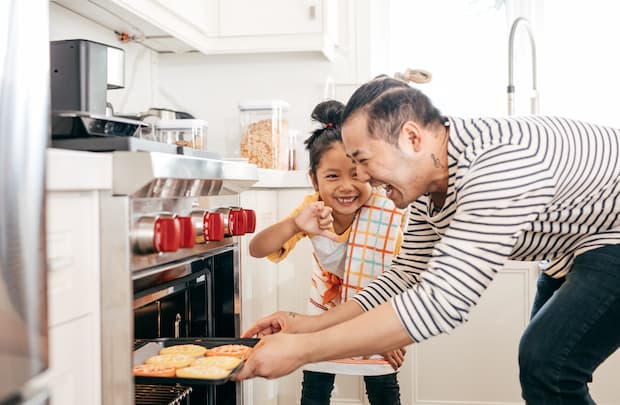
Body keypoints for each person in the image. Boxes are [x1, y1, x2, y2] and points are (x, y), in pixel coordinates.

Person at [234, 77, 620, 405]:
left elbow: (442, 302)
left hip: (612, 233)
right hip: (574, 245)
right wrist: (308, 325)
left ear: (412, 138)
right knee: (543, 369)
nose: (363, 178)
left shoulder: (498, 166)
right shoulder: (427, 184)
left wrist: (302, 351)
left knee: (548, 363)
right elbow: (404, 275)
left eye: (364, 160)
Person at [248, 99, 407, 405]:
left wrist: (389, 334)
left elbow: (399, 276)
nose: (346, 186)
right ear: (314, 180)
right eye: (332, 176)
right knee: (315, 390)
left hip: (377, 318)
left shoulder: (387, 211)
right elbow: (257, 249)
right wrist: (295, 224)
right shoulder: (312, 212)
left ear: (371, 173)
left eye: (357, 175)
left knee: (384, 391)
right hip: (321, 319)